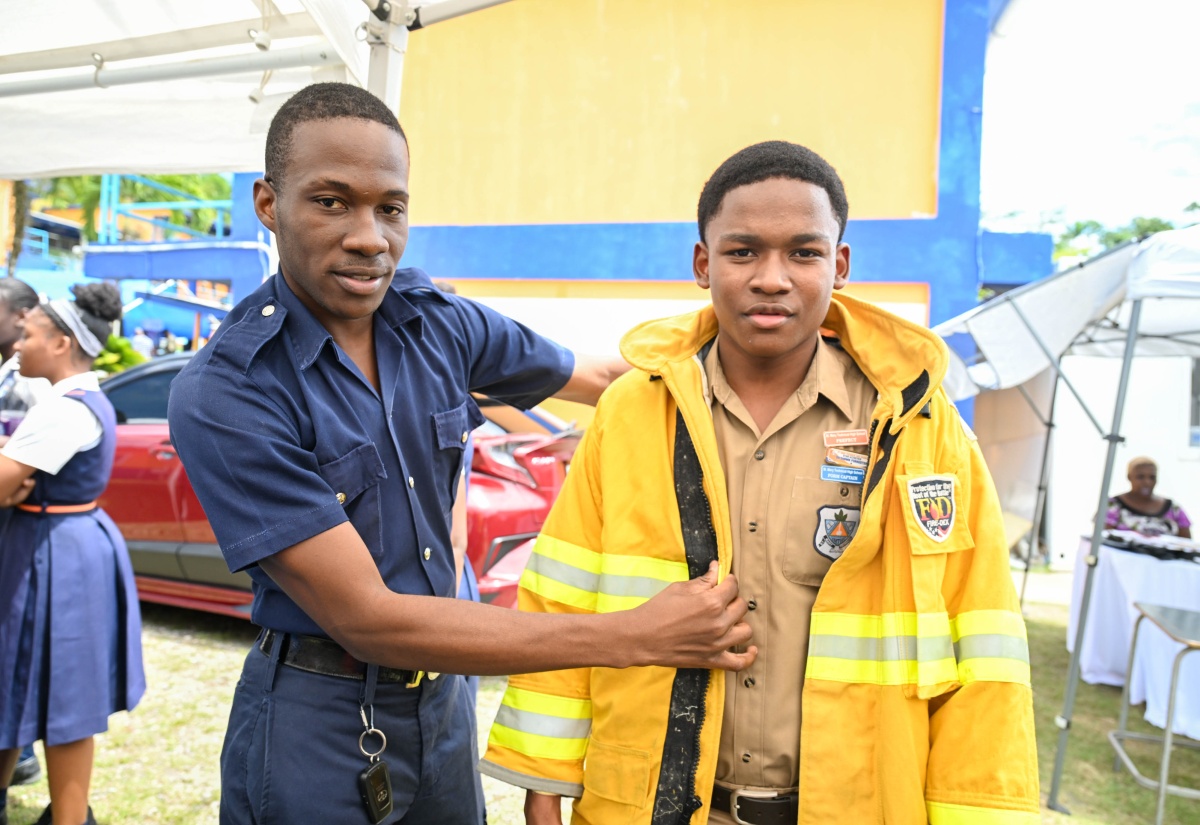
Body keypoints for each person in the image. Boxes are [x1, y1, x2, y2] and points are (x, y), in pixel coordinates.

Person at [167, 82, 755, 825]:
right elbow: (369, 617)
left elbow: (610, 380)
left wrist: (765, 307)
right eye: (330, 201)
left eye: (390, 207)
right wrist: (634, 634)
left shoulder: (432, 322)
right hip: (317, 721)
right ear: (267, 203)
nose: (368, 237)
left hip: (442, 708)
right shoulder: (231, 389)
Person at [480, 141, 1040, 825]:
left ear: (839, 266)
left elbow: (983, 650)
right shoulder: (630, 411)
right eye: (743, 251)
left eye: (803, 253)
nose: (772, 277)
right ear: (702, 263)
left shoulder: (918, 425)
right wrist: (543, 786)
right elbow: (563, 607)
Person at [0, 282, 146, 825]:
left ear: (61, 342)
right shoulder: (74, 401)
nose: (17, 342)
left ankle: (67, 817)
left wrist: (13, 475)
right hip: (54, 541)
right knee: (17, 676)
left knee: (65, 694)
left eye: (29, 333)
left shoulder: (63, 410)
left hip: (53, 551)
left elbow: (3, 486)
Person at [1105, 456, 1192, 538]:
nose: (1147, 482)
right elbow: (1101, 540)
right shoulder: (1112, 505)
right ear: (1129, 477)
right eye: (1140, 477)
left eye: (1152, 477)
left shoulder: (1174, 509)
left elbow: (1187, 545)